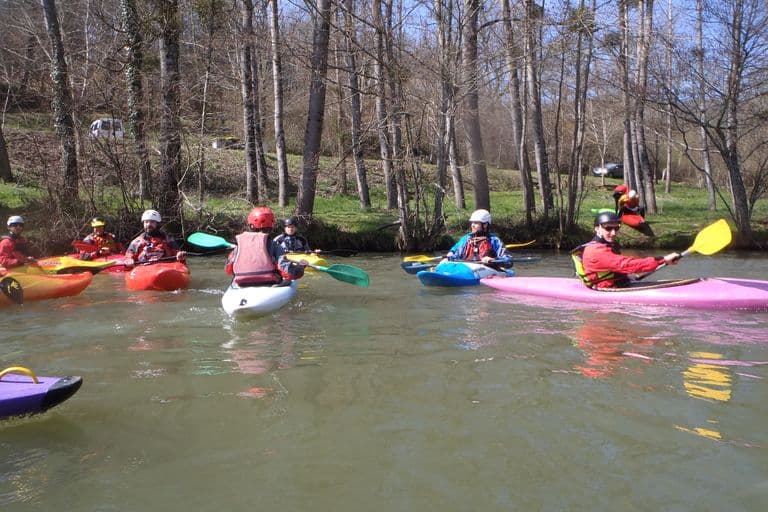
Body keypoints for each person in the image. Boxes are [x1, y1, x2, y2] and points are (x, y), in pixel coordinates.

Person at [571, 212, 680, 289]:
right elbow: (625, 264)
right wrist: (663, 260)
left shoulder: (606, 245)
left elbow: (618, 266)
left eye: (616, 228)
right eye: (608, 228)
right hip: (606, 290)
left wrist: (628, 276)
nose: (613, 233)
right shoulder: (596, 251)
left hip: (618, 284)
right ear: (597, 228)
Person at [225, 207, 307, 286]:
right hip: (269, 281)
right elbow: (289, 273)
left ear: (251, 225)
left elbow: (228, 270)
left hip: (241, 282)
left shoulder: (239, 245)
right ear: (271, 225)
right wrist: (301, 267)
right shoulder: (274, 245)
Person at [445, 209, 511, 267]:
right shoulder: (466, 239)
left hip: (488, 270)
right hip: (467, 269)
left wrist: (493, 259)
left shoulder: (494, 240)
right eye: (472, 223)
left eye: (476, 223)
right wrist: (448, 258)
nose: (472, 225)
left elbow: (508, 261)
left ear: (485, 224)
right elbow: (456, 254)